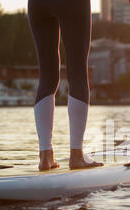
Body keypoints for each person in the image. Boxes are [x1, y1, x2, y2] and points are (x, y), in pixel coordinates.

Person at [28, 0, 103, 171]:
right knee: (77, 74)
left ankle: (45, 157)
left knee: (46, 77)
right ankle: (76, 156)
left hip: (37, 4)